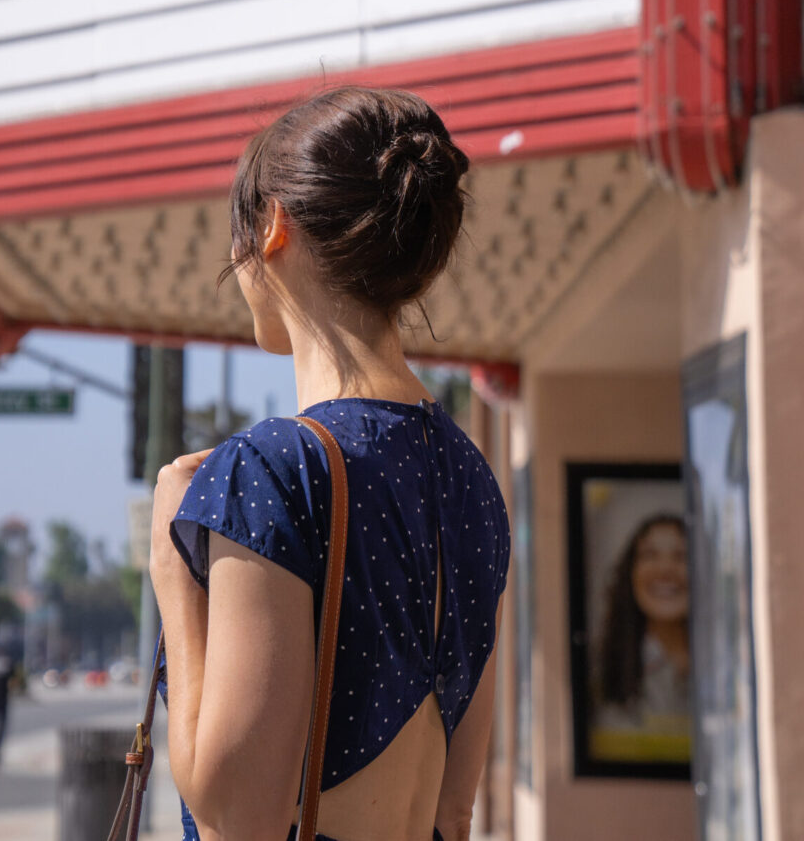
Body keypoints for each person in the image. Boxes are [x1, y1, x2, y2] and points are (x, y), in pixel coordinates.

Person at [150, 87, 510, 841]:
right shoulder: (474, 478)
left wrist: (174, 575)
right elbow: (455, 808)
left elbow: (235, 814)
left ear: (275, 224)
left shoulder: (270, 472)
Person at [594, 514, 690, 738]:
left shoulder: (729, 662)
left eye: (681, 556)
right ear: (630, 573)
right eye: (650, 555)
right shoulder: (601, 668)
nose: (665, 569)